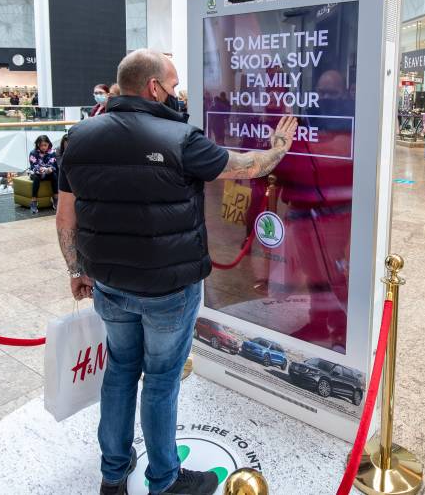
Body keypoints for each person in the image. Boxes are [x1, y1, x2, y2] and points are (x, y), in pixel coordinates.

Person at [56, 49, 297, 495]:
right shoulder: (180, 138)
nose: (177, 93)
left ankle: (113, 473)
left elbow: (65, 217)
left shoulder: (78, 138)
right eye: (173, 85)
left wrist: (76, 268)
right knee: (161, 380)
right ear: (154, 88)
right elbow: (249, 166)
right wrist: (280, 145)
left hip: (108, 283)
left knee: (121, 370)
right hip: (168, 290)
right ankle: (164, 480)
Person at [27, 134, 58, 213]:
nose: (43, 147)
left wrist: (50, 169)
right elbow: (33, 166)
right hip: (36, 173)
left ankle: (55, 198)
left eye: (45, 145)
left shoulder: (52, 152)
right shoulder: (33, 153)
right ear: (38, 145)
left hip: (47, 173)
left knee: (54, 175)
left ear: (48, 144)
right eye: (41, 145)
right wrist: (40, 169)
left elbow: (53, 164)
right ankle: (34, 201)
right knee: (37, 177)